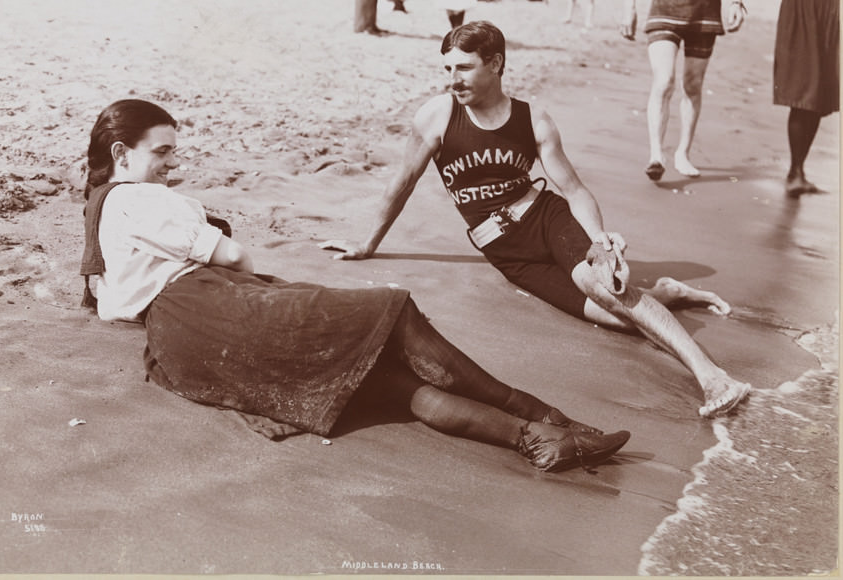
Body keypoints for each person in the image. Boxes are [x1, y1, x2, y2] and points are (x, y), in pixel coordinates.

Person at [79, 98, 630, 474]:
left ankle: (534, 439)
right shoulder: (139, 197)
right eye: (162, 152)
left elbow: (111, 302)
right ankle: (546, 417)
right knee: (393, 313)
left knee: (388, 383)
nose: (172, 163)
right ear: (121, 154)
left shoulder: (99, 208)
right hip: (209, 306)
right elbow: (237, 257)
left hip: (181, 349)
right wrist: (246, 278)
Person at [321, 21, 751, 419]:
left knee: (596, 283)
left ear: (496, 64)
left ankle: (712, 376)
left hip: (547, 218)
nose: (453, 79)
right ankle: (665, 293)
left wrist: (599, 239)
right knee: (612, 315)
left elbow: (574, 189)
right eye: (448, 68)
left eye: (465, 68)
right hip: (507, 253)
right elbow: (402, 183)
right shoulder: (436, 115)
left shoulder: (533, 120)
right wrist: (367, 244)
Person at [620, 0, 746, 181]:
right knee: (664, 80)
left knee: (692, 84)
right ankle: (655, 153)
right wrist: (629, 5)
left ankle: (683, 153)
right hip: (666, 2)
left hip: (705, 5)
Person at [734, 0, 839, 197]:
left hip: (838, 9)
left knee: (824, 96)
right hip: (804, 9)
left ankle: (798, 171)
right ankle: (796, 172)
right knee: (806, 91)